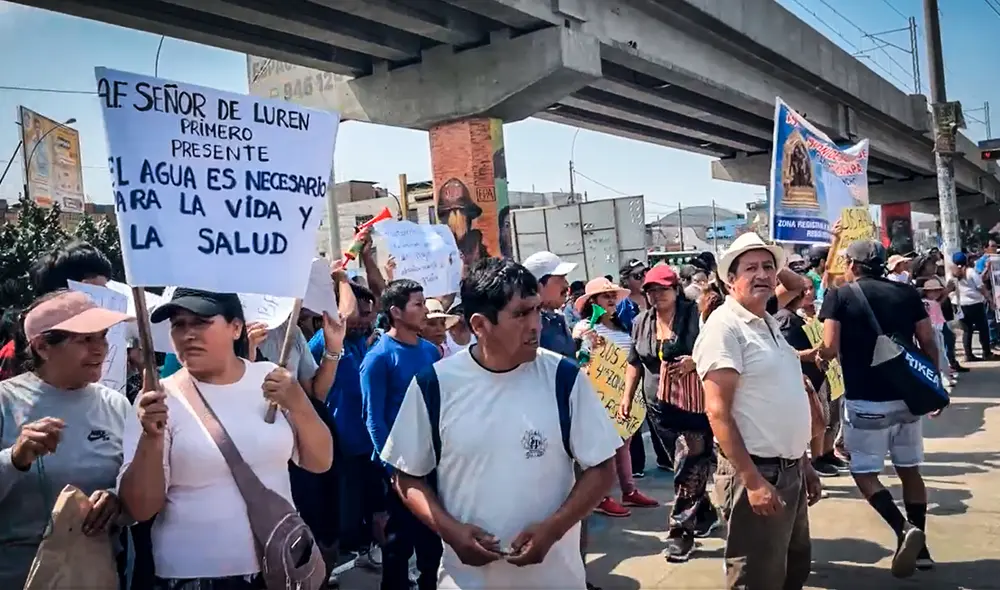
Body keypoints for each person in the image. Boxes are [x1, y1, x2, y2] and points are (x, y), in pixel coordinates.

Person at [381, 258, 622, 589]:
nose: (535, 324)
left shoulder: (564, 379)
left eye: (536, 310)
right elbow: (407, 475)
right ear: (480, 325)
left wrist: (555, 528)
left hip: (556, 580)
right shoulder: (434, 385)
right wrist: (451, 532)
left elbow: (602, 468)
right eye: (521, 314)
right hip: (466, 581)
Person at [118, 288, 334, 590]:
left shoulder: (271, 379)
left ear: (236, 328)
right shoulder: (157, 399)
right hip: (194, 578)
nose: (188, 334)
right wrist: (150, 438)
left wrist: (298, 403)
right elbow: (140, 508)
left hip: (279, 567)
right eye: (179, 324)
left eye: (201, 321)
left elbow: (319, 461)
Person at [693, 232, 821, 590]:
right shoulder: (725, 328)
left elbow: (801, 284)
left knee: (791, 570)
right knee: (757, 579)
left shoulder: (766, 320)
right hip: (757, 472)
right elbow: (718, 413)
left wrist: (804, 462)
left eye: (769, 267)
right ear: (729, 280)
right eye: (751, 268)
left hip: (788, 469)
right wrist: (752, 480)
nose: (763, 274)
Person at [819, 240, 939, 578]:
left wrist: (809, 357)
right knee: (910, 469)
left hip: (865, 400)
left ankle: (903, 529)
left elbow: (829, 348)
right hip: (908, 398)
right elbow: (928, 341)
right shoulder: (906, 294)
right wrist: (934, 388)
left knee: (864, 472)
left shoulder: (840, 296)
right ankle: (923, 549)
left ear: (853, 265)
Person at [0, 290, 133, 589]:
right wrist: (14, 459)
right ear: (43, 347)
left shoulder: (116, 404)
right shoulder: (6, 402)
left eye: (102, 336)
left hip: (97, 575)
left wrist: (116, 499)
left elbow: (135, 485)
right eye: (85, 340)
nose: (101, 349)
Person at [618, 265, 716, 562]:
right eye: (650, 290)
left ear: (676, 290)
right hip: (658, 405)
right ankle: (704, 513)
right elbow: (635, 361)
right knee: (686, 467)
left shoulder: (696, 316)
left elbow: (716, 350)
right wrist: (626, 396)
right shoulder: (640, 322)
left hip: (694, 404)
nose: (656, 295)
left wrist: (695, 362)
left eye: (662, 289)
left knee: (687, 466)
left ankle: (680, 533)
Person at [360, 279, 442, 590]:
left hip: (430, 462)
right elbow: (373, 420)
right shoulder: (379, 358)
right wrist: (392, 469)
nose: (425, 311)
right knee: (398, 547)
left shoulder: (431, 352)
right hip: (398, 468)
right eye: (418, 305)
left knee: (432, 546)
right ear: (396, 311)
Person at [310, 282, 386, 570]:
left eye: (369, 315)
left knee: (378, 510)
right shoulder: (325, 340)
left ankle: (373, 555)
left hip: (369, 445)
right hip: (339, 446)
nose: (364, 320)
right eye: (361, 314)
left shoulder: (362, 342)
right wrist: (342, 277)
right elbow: (347, 315)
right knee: (343, 515)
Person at [573, 278, 658, 517]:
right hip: (599, 397)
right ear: (593, 302)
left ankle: (628, 490)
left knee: (624, 444)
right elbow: (582, 361)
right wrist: (587, 343)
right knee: (606, 448)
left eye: (612, 296)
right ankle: (603, 496)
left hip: (623, 394)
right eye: (604, 297)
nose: (610, 300)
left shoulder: (622, 327)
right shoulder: (584, 327)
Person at [773, 277, 845, 478]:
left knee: (825, 420)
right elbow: (785, 352)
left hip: (818, 377)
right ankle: (810, 466)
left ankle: (821, 457)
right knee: (811, 425)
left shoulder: (800, 317)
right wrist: (812, 353)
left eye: (811, 288)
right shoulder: (785, 319)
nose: (809, 293)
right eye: (804, 290)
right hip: (804, 380)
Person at [523, 251, 578, 359]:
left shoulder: (557, 319)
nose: (566, 284)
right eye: (560, 278)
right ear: (539, 286)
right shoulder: (528, 327)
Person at [950, 252, 993, 361]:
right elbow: (981, 287)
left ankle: (968, 355)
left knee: (967, 330)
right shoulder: (970, 272)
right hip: (975, 304)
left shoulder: (953, 273)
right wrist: (989, 299)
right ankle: (986, 353)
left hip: (960, 305)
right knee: (983, 328)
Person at [615, 259, 648, 333]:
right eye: (638, 276)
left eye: (645, 274)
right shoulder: (620, 307)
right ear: (625, 280)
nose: (643, 279)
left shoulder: (654, 296)